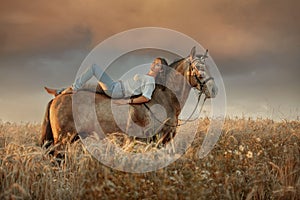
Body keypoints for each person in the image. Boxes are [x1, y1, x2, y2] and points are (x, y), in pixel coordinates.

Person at [46, 58, 168, 105]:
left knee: (94, 68)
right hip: (116, 86)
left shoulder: (150, 81)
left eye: (157, 64)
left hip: (116, 91)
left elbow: (146, 98)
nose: (153, 64)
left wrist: (126, 101)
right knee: (87, 86)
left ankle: (73, 88)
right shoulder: (146, 76)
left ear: (161, 70)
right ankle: (59, 92)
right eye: (154, 62)